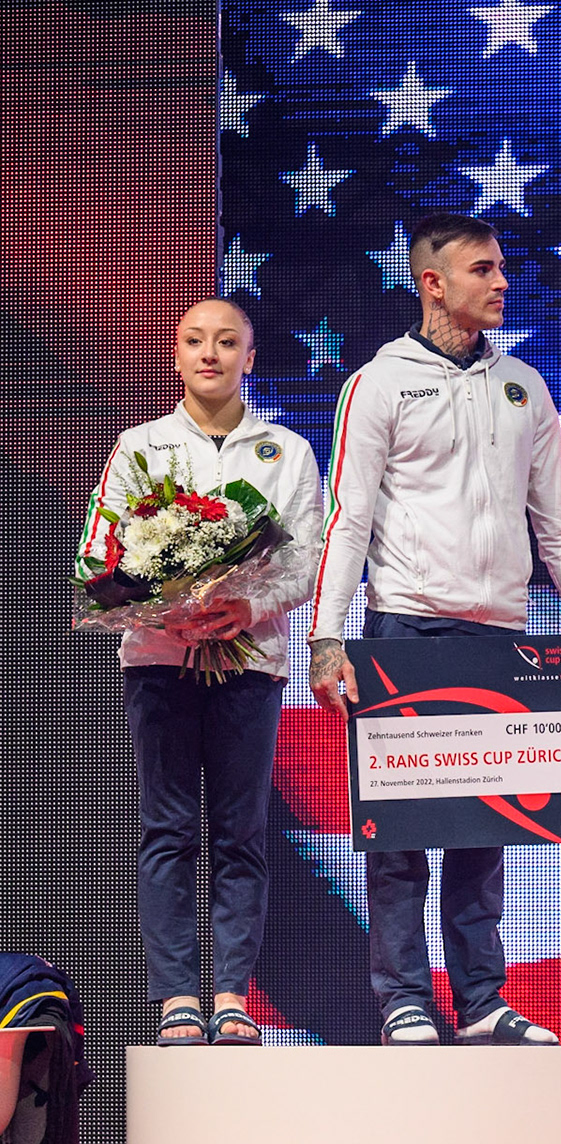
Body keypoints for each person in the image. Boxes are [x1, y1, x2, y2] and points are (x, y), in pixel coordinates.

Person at [308, 212, 561, 1046]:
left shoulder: (525, 387)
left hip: (503, 637)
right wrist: (327, 637)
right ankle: (404, 998)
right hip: (404, 626)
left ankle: (482, 1002)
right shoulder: (379, 383)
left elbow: (560, 524)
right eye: (482, 269)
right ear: (433, 283)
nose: (502, 281)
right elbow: (348, 516)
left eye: (502, 267)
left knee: (489, 827)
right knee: (402, 833)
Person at [74, 298, 323, 1046]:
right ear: (176, 356)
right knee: (168, 829)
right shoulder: (140, 445)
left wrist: (245, 610)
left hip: (251, 665)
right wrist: (158, 608)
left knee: (241, 833)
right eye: (194, 341)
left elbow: (308, 557)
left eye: (227, 342)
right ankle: (177, 995)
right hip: (159, 663)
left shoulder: (288, 451)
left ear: (251, 357)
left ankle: (232, 994)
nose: (209, 353)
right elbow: (104, 552)